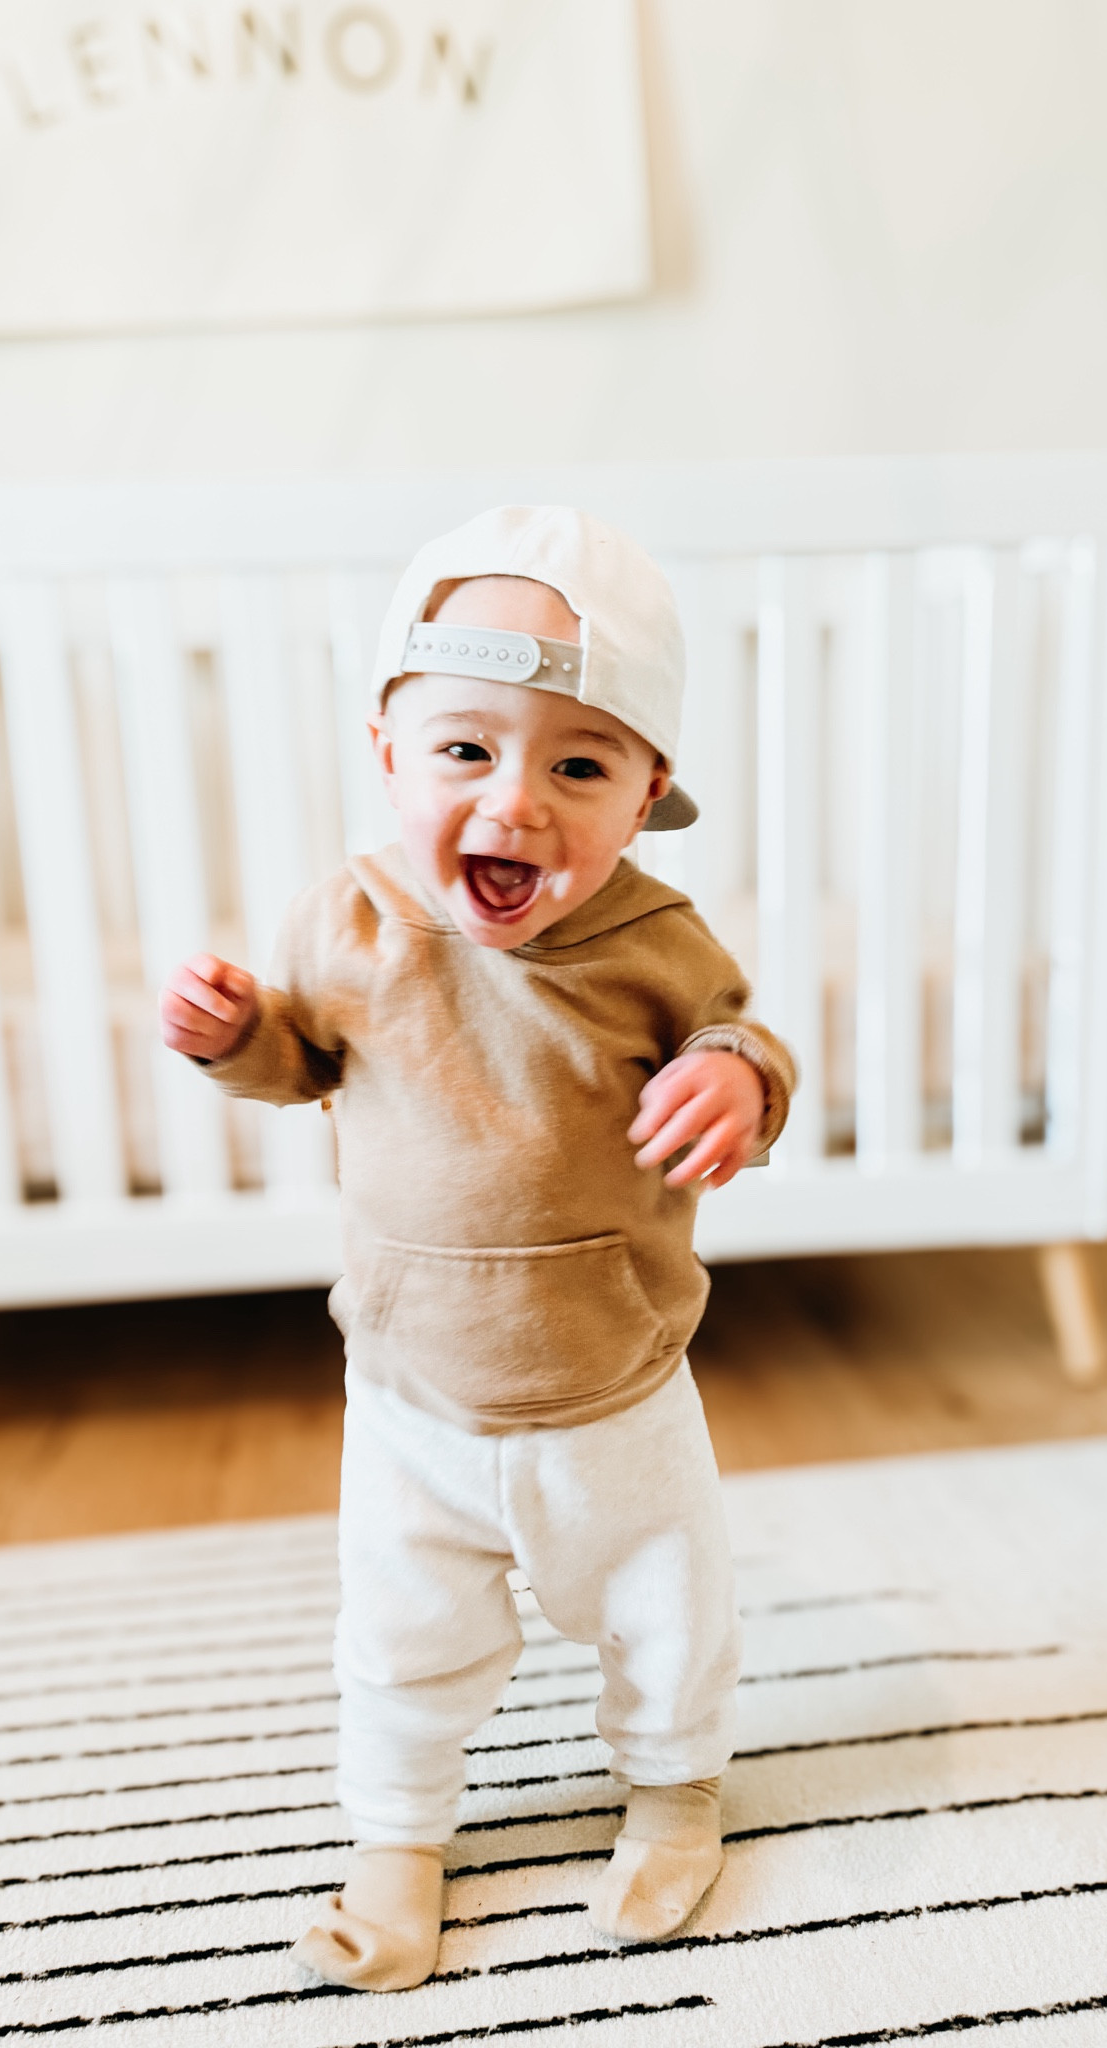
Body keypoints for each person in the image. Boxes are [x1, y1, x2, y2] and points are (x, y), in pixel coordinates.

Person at [160, 505, 794, 1992]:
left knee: (665, 1610)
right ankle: (394, 1839)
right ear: (390, 757)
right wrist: (238, 1034)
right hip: (412, 1390)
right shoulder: (353, 921)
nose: (515, 802)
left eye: (577, 764)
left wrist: (740, 1076)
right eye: (466, 751)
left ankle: (675, 1785)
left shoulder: (657, 938)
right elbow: (302, 1058)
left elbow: (734, 1026)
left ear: (643, 800)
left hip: (616, 1381)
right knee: (401, 1636)